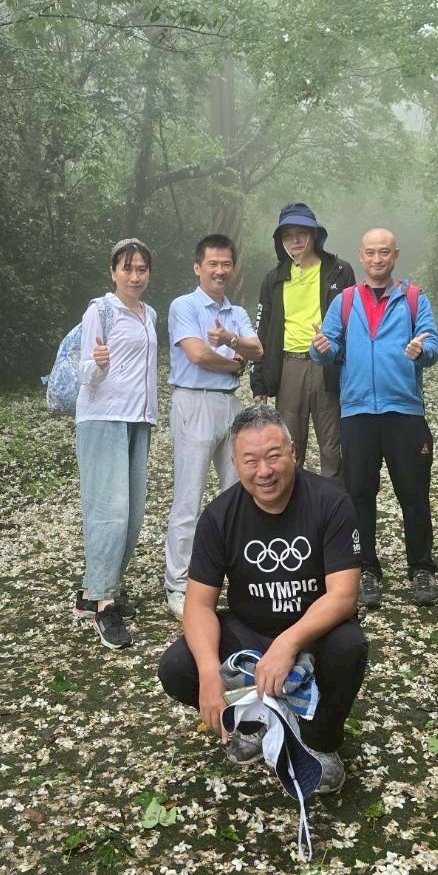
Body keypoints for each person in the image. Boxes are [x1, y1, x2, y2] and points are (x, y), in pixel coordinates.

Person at [157, 405, 367, 792]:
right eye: (250, 460)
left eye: (274, 456)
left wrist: (290, 643)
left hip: (313, 634)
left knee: (349, 644)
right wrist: (208, 672)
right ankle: (253, 722)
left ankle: (318, 741)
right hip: (250, 634)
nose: (264, 471)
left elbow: (344, 595)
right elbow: (199, 603)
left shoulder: (331, 502)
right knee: (178, 665)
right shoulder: (220, 515)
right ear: (235, 464)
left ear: (293, 453)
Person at [310, 227, 438, 610]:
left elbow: (433, 343)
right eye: (370, 253)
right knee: (359, 496)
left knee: (413, 494)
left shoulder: (414, 298)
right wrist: (320, 348)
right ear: (361, 255)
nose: (377, 259)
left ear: (395, 255)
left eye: (384, 252)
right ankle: (367, 570)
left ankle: (421, 568)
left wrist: (422, 349)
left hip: (404, 410)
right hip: (357, 412)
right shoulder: (346, 301)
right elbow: (329, 346)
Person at [164, 234, 264, 620]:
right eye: (212, 264)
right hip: (194, 400)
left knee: (237, 492)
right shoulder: (184, 306)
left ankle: (236, 576)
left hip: (229, 405)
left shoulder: (235, 312)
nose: (220, 270)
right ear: (197, 267)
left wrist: (234, 343)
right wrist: (235, 362)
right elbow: (199, 354)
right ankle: (178, 583)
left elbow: (258, 349)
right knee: (188, 497)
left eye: (226, 264)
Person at [73, 237, 159, 650]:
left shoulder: (150, 314)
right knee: (110, 512)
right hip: (102, 418)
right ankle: (103, 601)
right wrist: (97, 363)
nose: (135, 276)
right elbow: (84, 372)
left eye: (141, 269)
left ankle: (97, 587)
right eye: (127, 268)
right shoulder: (101, 310)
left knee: (134, 514)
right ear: (113, 272)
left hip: (138, 419)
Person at [250, 202, 355, 480]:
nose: (295, 240)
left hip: (328, 366)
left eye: (301, 233)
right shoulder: (274, 279)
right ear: (280, 240)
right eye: (287, 235)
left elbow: (354, 322)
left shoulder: (339, 271)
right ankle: (293, 513)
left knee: (332, 447)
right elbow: (262, 331)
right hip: (288, 367)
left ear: (314, 234)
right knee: (289, 447)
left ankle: (334, 511)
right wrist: (259, 381)